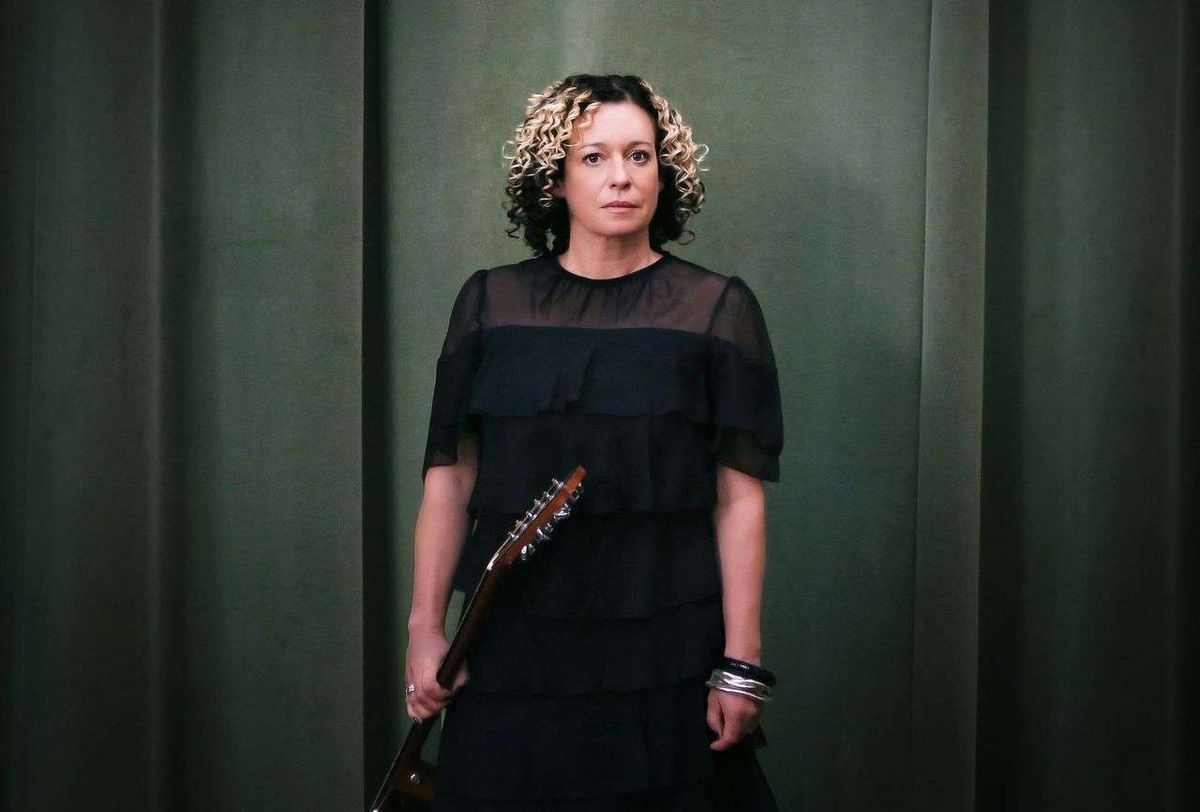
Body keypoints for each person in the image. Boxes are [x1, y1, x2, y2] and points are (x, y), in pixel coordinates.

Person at [404, 73, 784, 812]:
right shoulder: (490, 304)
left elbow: (738, 500)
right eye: (593, 157)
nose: (621, 177)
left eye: (640, 156)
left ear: (665, 174)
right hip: (512, 635)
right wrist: (425, 629)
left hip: (663, 636)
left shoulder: (715, 310)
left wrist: (741, 664)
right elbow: (450, 479)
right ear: (554, 179)